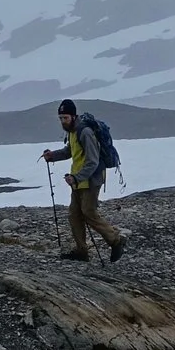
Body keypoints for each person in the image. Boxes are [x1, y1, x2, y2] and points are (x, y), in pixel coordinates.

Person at [42, 98, 125, 262]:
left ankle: (116, 240)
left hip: (91, 179)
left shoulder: (84, 132)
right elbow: (70, 151)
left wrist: (75, 177)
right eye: (60, 118)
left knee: (88, 212)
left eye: (65, 118)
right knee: (74, 214)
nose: (62, 121)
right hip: (78, 180)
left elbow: (93, 161)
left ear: (73, 116)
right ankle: (81, 251)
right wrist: (53, 156)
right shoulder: (72, 132)